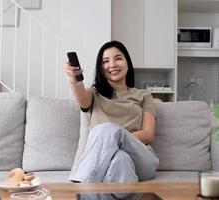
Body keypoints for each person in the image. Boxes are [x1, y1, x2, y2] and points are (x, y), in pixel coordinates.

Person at [64, 40, 159, 183]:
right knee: (120, 160)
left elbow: (147, 134)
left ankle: (80, 185)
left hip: (141, 158)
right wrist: (74, 79)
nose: (112, 65)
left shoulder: (143, 95)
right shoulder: (94, 94)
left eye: (118, 58)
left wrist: (116, 137)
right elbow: (81, 97)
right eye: (106, 61)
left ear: (127, 62)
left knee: (107, 130)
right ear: (101, 68)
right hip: (111, 160)